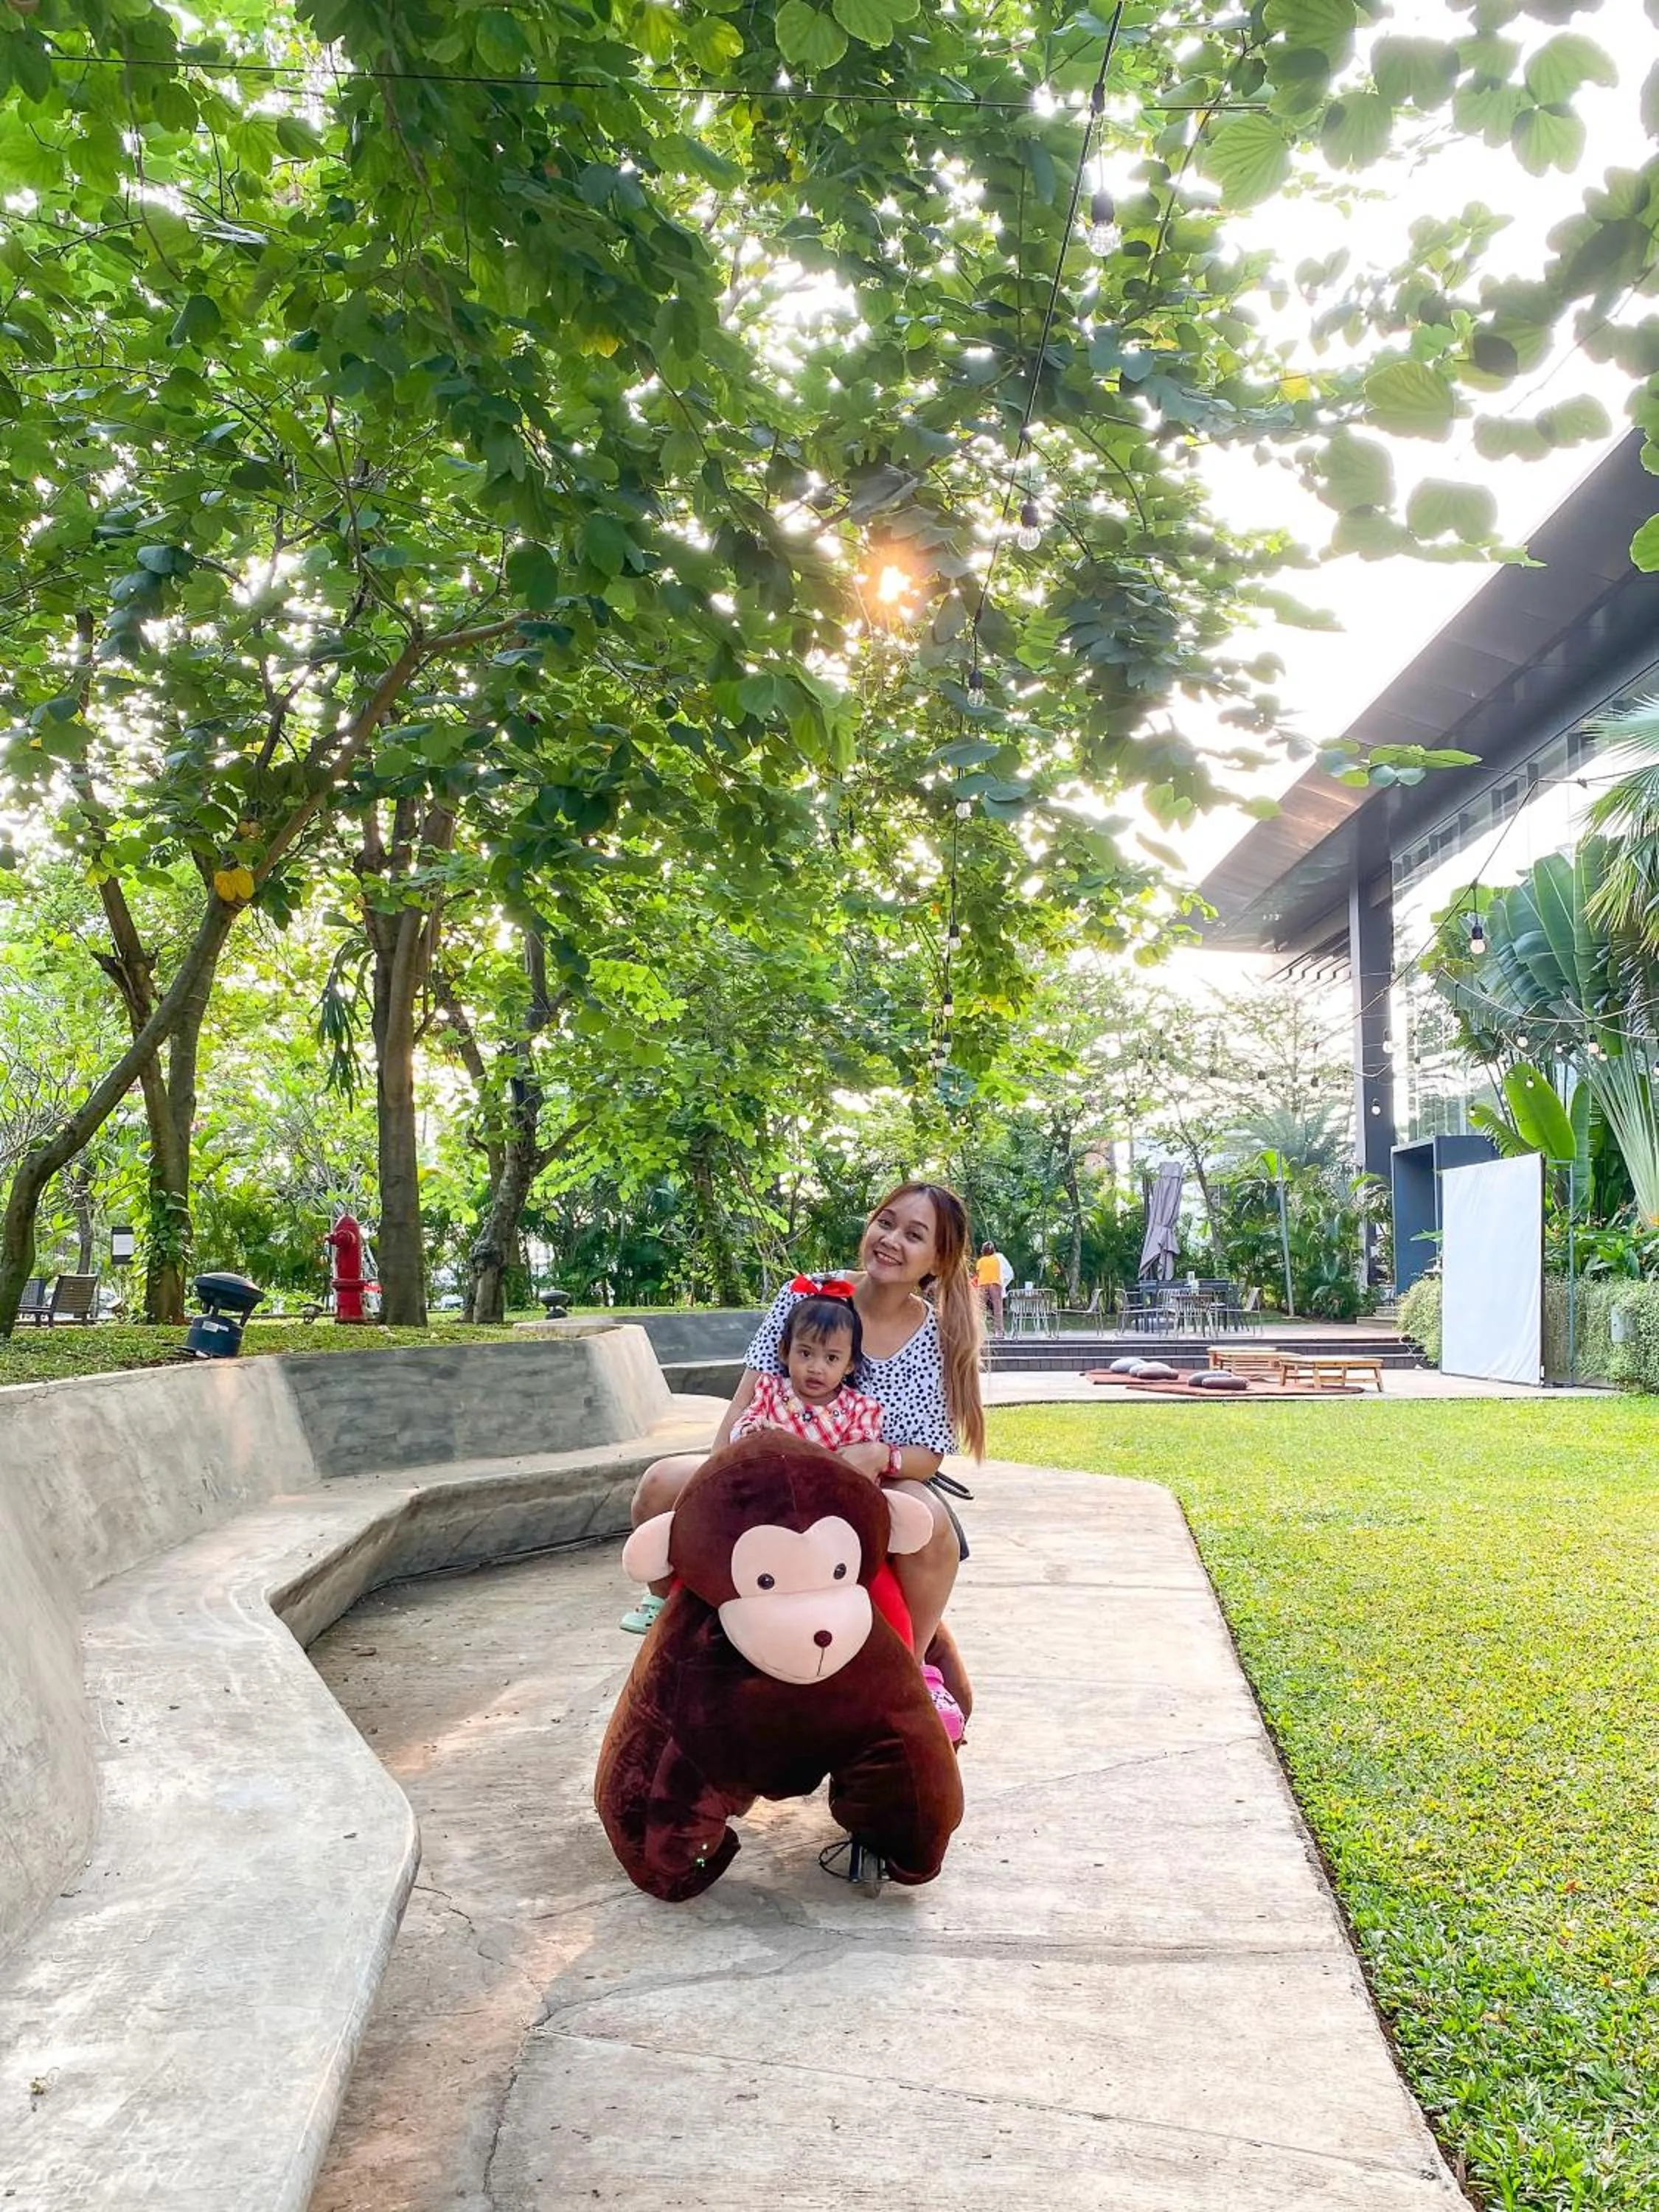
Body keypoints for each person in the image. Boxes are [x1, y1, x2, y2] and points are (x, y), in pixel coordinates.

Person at [621, 1183, 986, 1740]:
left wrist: (876, 1454)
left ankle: (913, 1667)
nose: (890, 1240)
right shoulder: (809, 1296)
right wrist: (725, 1474)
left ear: (937, 1260)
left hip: (863, 1479)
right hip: (768, 1465)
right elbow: (747, 1398)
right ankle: (674, 1620)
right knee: (659, 1486)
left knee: (931, 1525)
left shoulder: (934, 1336)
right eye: (885, 1222)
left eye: (914, 1235)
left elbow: (927, 1452)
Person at [975, 1241, 1009, 1338]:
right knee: (997, 1308)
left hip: (983, 1283)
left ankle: (979, 1331)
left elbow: (978, 1273)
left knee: (980, 1308)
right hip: (995, 1283)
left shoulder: (980, 1261)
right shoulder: (996, 1259)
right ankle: (999, 1331)